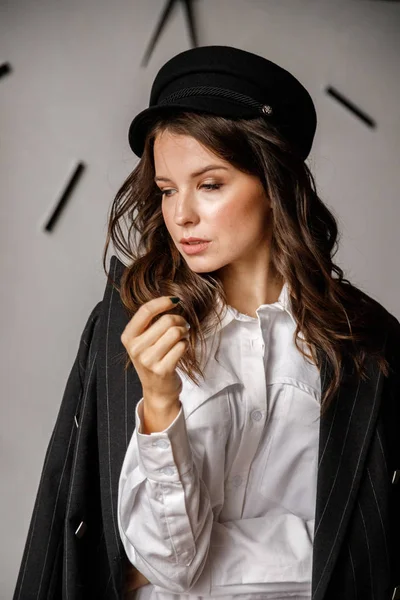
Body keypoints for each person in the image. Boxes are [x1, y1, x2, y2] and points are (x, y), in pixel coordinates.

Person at [13, 46, 400, 600]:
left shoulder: (365, 343)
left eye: (210, 184)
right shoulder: (130, 326)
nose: (180, 215)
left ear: (272, 182)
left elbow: (366, 551)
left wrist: (203, 568)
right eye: (168, 189)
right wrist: (159, 399)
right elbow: (151, 553)